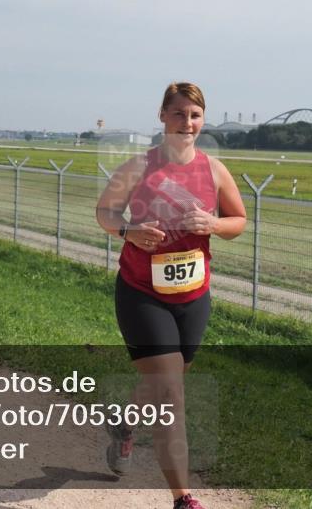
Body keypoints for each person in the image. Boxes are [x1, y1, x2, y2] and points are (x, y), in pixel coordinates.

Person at [95, 82, 247, 509]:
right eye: (179, 114)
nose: (187, 122)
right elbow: (104, 212)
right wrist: (129, 231)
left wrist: (213, 225)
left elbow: (239, 219)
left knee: (165, 383)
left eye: (195, 115)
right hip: (142, 292)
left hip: (193, 295)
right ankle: (184, 499)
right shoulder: (138, 167)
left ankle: (125, 426)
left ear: (203, 120)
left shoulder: (214, 170)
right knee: (170, 395)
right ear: (162, 116)